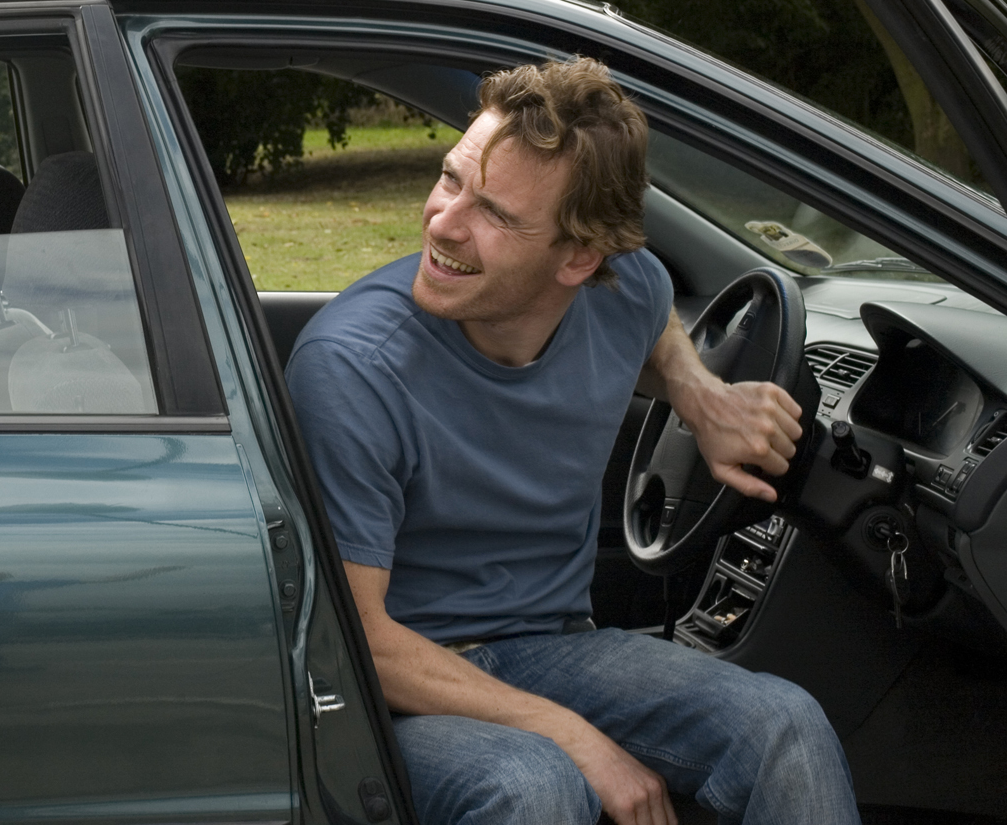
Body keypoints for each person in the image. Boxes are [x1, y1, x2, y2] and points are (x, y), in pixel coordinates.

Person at [287, 58, 859, 825]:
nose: (444, 222)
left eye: (495, 214)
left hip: (552, 646)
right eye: (451, 179)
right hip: (398, 683)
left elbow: (653, 317)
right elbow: (357, 638)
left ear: (580, 259)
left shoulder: (623, 288)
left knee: (785, 725)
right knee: (535, 782)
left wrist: (699, 394)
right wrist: (573, 736)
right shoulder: (354, 366)